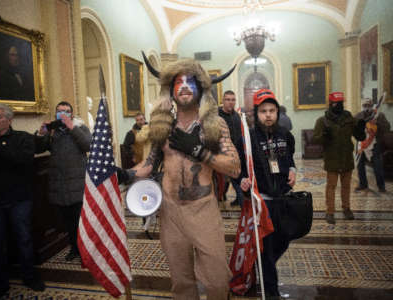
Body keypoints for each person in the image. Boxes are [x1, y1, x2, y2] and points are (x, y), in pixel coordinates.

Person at [118, 57, 239, 299]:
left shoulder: (215, 125)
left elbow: (234, 167)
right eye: (178, 82)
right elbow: (150, 164)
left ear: (200, 88)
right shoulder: (163, 127)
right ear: (170, 90)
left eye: (190, 81)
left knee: (217, 281)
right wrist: (125, 173)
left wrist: (200, 151)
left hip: (203, 210)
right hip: (170, 212)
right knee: (181, 283)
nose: (184, 86)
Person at [238, 89, 296, 299]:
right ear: (256, 113)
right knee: (268, 247)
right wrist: (241, 180)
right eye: (263, 111)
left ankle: (263, 263)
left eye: (272, 110)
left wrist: (292, 170)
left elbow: (290, 158)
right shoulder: (248, 137)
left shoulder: (285, 134)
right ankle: (271, 291)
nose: (268, 115)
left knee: (285, 238)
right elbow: (239, 165)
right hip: (261, 202)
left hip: (282, 199)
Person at [0, 103, 46, 299]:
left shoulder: (22, 138)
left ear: (9, 119)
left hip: (19, 200)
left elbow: (23, 160)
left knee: (23, 239)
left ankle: (30, 277)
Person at [36, 101, 92, 261]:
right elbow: (39, 148)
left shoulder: (80, 128)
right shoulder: (52, 131)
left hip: (78, 185)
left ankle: (85, 251)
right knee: (68, 223)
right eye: (59, 112)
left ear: (72, 115)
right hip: (59, 186)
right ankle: (74, 249)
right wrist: (42, 132)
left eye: (66, 112)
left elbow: (88, 145)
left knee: (81, 221)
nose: (63, 114)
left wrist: (71, 127)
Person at [313, 92, 366, 224]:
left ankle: (346, 209)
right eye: (336, 103)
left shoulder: (349, 119)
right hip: (332, 158)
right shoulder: (323, 121)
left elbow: (361, 137)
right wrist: (325, 135)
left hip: (346, 157)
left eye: (341, 103)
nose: (339, 105)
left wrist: (360, 129)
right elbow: (315, 139)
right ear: (330, 104)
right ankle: (330, 212)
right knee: (331, 186)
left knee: (346, 186)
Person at [354, 98, 391, 193]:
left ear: (372, 106)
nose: (367, 108)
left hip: (374, 144)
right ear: (362, 106)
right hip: (361, 144)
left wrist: (377, 123)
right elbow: (353, 130)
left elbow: (387, 127)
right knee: (360, 165)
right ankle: (363, 184)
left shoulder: (379, 115)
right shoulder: (358, 116)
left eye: (368, 105)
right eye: (365, 106)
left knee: (378, 166)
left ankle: (381, 186)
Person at [218, 90, 244, 207]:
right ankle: (222, 195)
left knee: (235, 176)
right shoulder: (216, 115)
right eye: (228, 99)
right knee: (226, 178)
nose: (230, 102)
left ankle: (239, 199)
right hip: (220, 152)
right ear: (223, 101)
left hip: (236, 152)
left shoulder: (237, 116)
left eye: (233, 100)